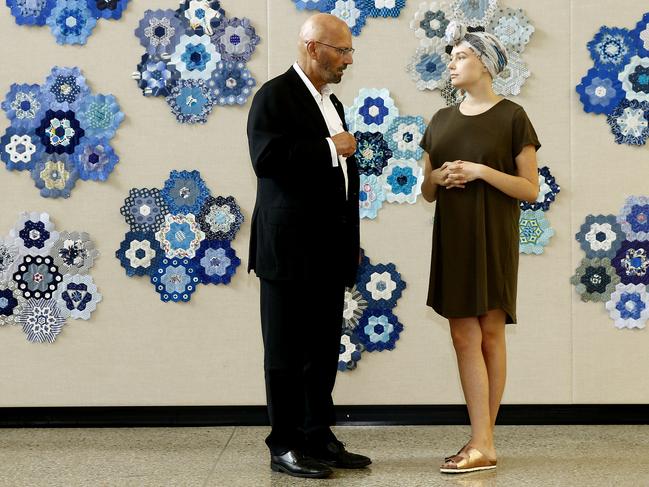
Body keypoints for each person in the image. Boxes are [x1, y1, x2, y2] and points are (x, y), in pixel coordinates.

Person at [246, 13, 371, 480]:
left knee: (321, 350)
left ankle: (319, 435)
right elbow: (267, 160)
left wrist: (349, 242)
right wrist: (328, 147)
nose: (348, 60)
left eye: (350, 52)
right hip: (287, 253)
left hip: (327, 251)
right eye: (342, 51)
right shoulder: (274, 97)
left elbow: (340, 183)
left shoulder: (330, 102)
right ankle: (285, 444)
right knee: (284, 354)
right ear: (313, 47)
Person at [419, 21, 541, 474]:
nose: (452, 63)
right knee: (461, 334)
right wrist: (438, 177)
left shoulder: (513, 117)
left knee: (490, 332)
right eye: (451, 58)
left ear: (486, 64)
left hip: (493, 236)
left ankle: (481, 443)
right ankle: (483, 443)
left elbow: (529, 189)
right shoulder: (440, 120)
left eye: (462, 56)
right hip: (453, 238)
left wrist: (481, 171)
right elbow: (427, 190)